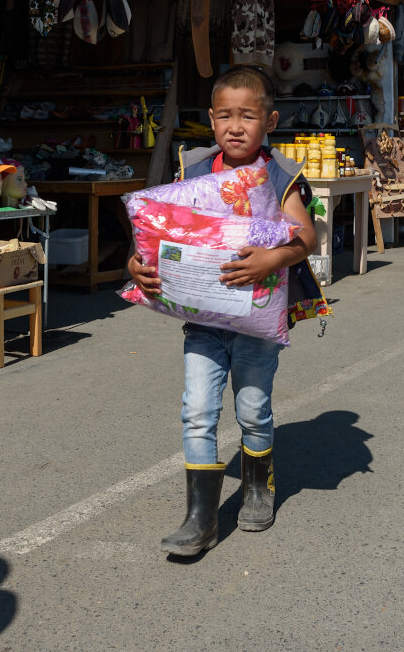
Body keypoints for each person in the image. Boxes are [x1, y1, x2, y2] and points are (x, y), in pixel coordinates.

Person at [127, 66, 317, 557]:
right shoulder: (192, 171)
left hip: (256, 320)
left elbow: (306, 237)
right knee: (197, 411)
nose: (236, 126)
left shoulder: (279, 175)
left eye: (248, 116)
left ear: (269, 120)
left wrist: (273, 258)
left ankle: (257, 486)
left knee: (253, 409)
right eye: (226, 115)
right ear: (211, 121)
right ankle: (200, 518)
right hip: (204, 321)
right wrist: (138, 265)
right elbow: (161, 235)